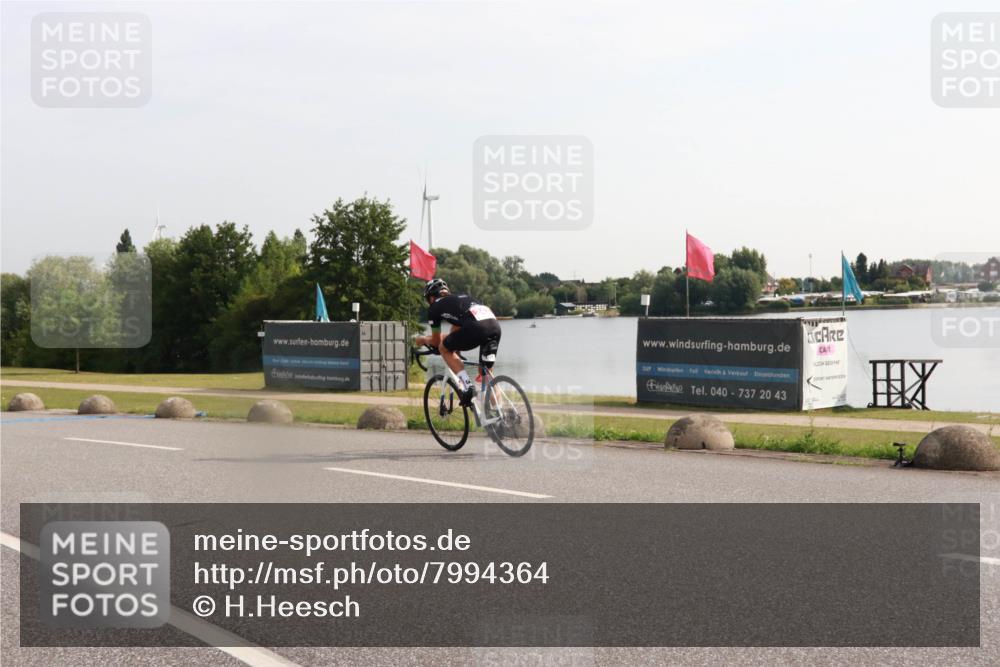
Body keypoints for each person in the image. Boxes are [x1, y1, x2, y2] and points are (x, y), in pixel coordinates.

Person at [413, 278, 501, 406]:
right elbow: (455, 333)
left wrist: (423, 339)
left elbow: (437, 341)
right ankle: (502, 415)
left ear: (431, 297)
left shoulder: (434, 307)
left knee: (444, 348)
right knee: (486, 373)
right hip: (494, 326)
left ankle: (467, 386)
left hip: (475, 327)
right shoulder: (462, 298)